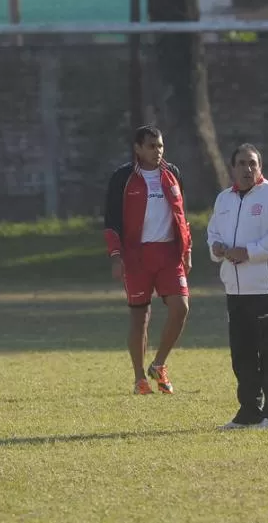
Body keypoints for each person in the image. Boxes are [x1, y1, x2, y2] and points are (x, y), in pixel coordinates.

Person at [207, 143, 268, 430]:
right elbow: (212, 233)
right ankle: (249, 411)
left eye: (252, 163)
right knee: (242, 354)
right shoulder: (224, 200)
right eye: (242, 163)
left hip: (264, 286)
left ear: (260, 167)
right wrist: (216, 247)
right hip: (235, 288)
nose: (247, 169)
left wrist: (249, 251)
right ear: (232, 168)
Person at [104, 125, 192, 394]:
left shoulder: (172, 174)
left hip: (169, 254)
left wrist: (187, 251)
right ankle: (140, 378)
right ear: (138, 148)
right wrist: (116, 256)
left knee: (181, 308)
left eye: (161, 146)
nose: (158, 151)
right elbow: (111, 220)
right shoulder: (123, 177)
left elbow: (181, 215)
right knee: (140, 317)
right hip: (136, 256)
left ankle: (159, 364)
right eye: (152, 146)